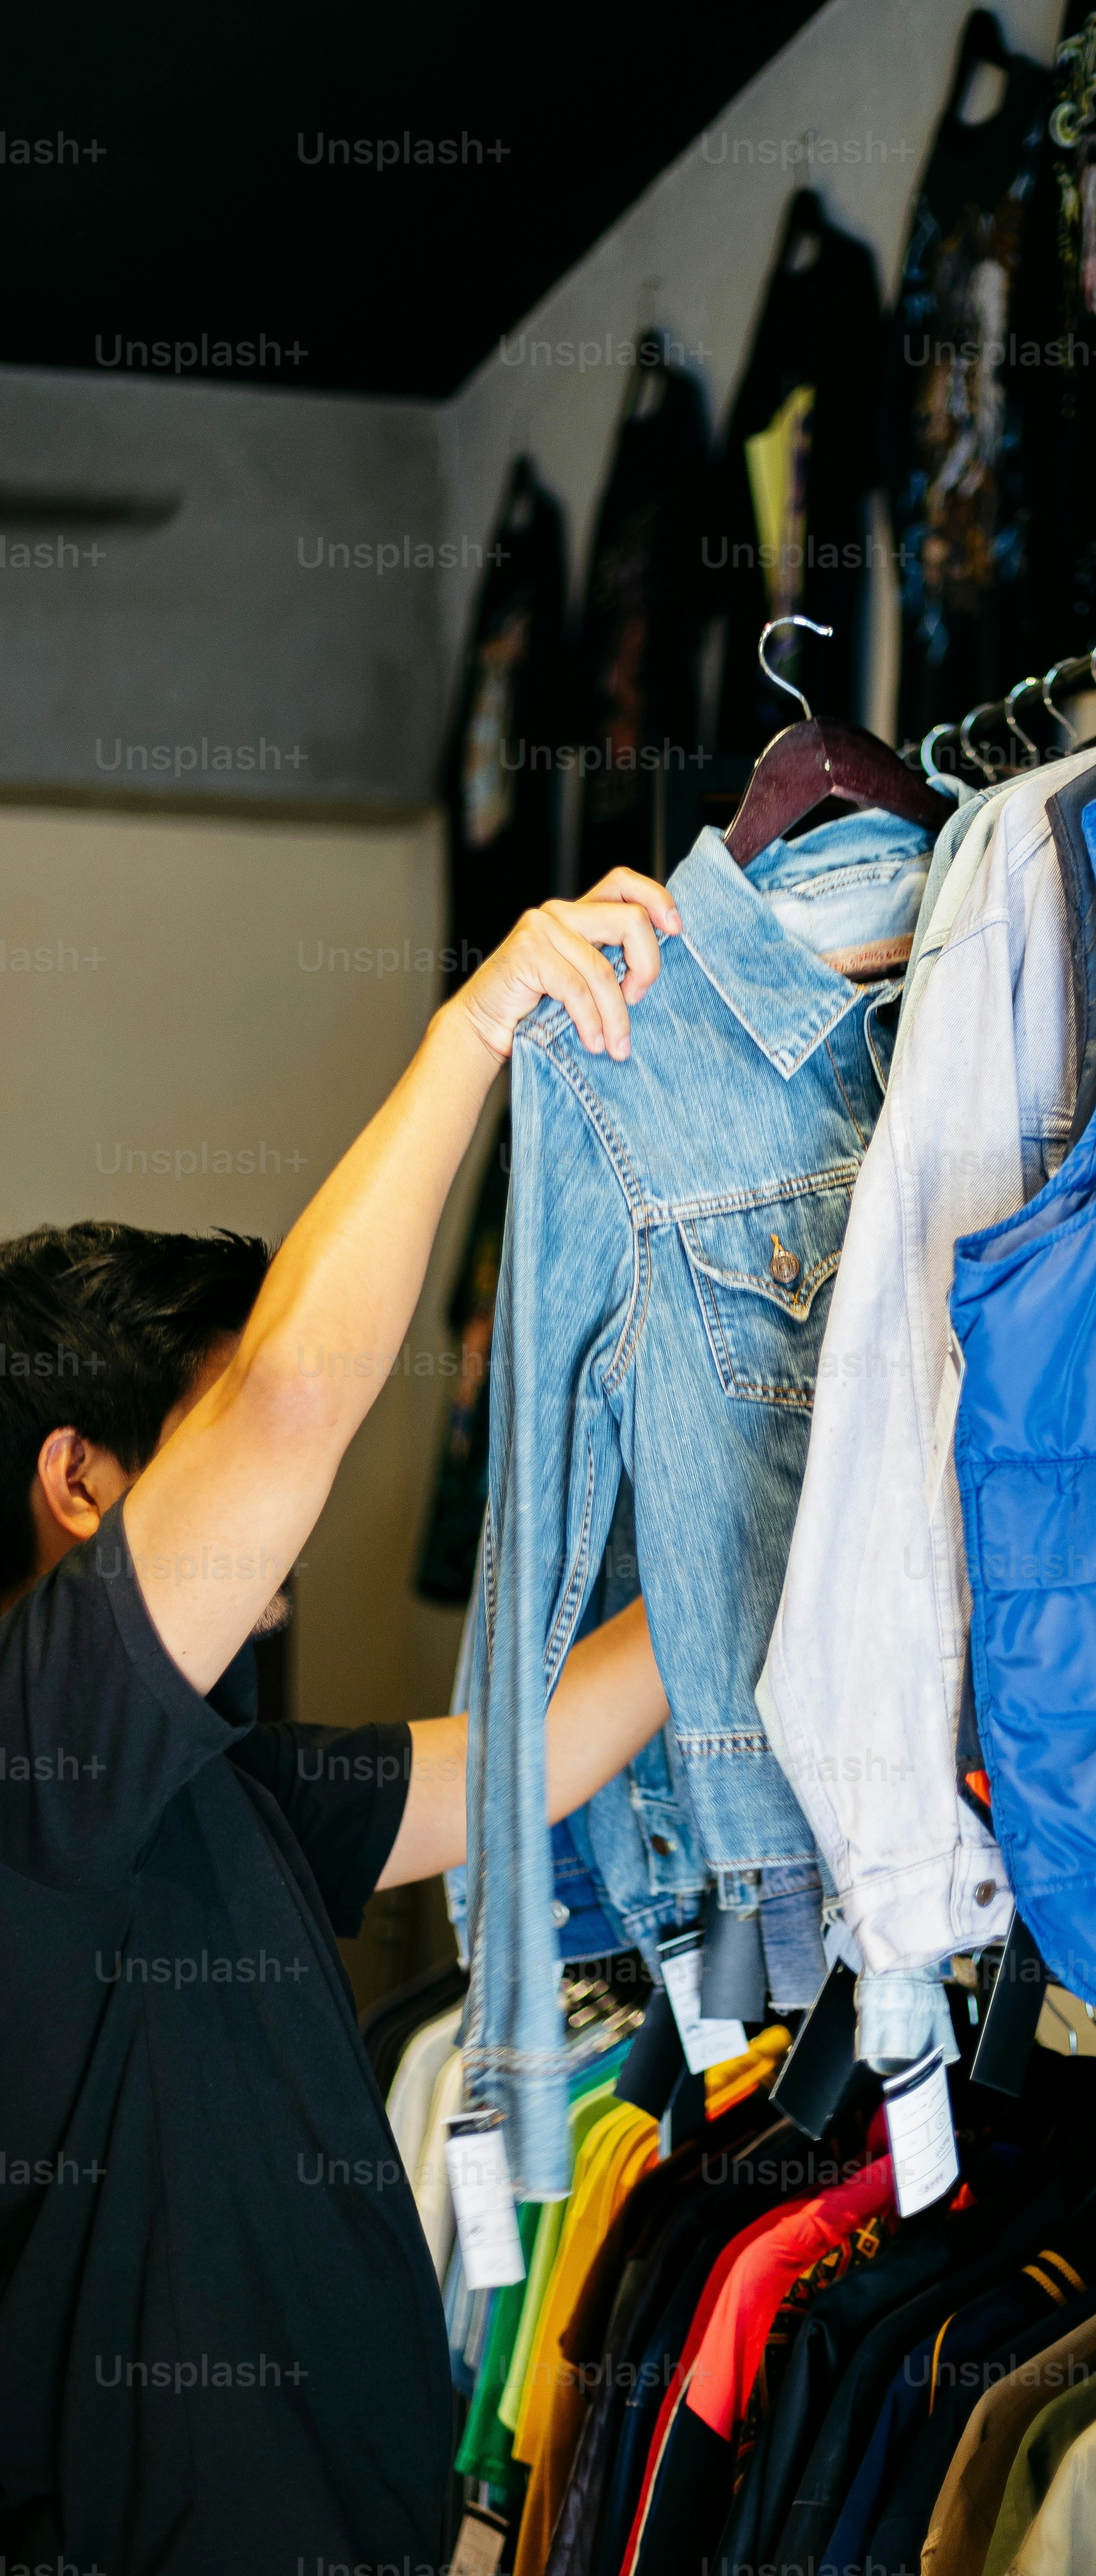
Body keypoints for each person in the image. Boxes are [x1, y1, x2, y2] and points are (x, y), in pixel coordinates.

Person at [0, 873, 681, 2573]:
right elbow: (307, 1394)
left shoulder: (192, 1791)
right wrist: (472, 1032)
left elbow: (534, 1761)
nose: (279, 1523)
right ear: (81, 1481)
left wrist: (806, 1535)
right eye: (206, 1432)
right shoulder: (37, 1758)